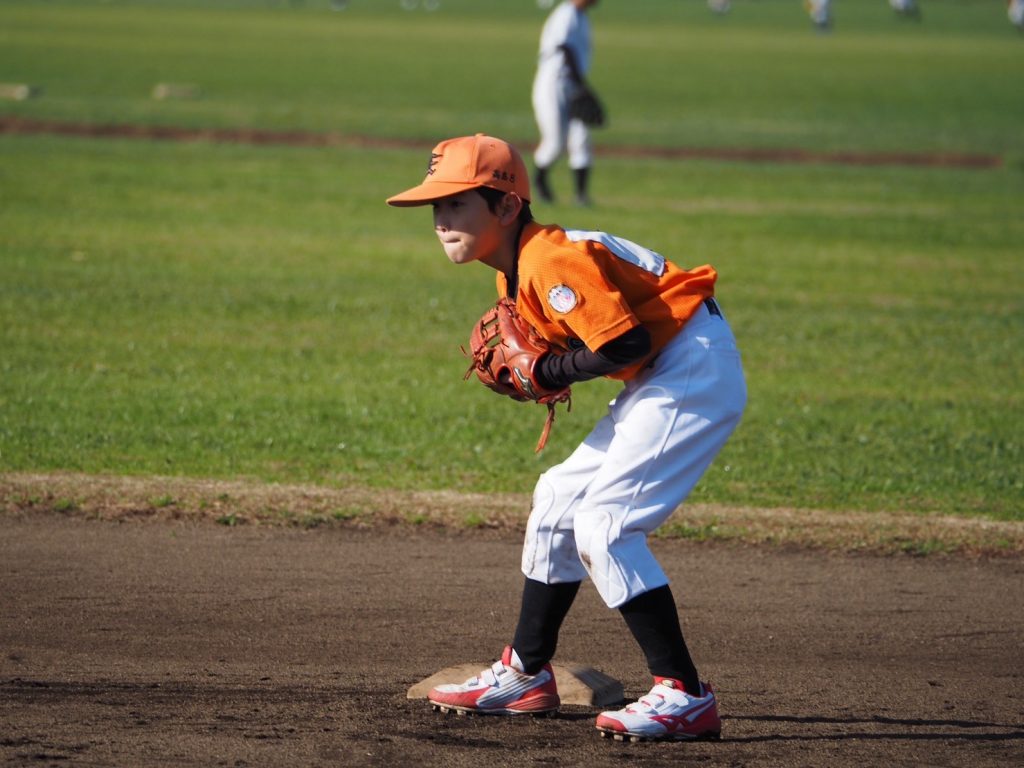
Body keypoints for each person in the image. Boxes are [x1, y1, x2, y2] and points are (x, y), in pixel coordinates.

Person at [386, 134, 746, 742]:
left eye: (457, 204)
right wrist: (550, 367)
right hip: (664, 367)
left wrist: (550, 371)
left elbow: (625, 343)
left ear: (506, 206)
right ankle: (525, 673)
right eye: (436, 207)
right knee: (557, 501)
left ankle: (685, 694)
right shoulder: (516, 270)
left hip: (692, 367)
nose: (442, 220)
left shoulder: (547, 260)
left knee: (605, 524)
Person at [532, 0, 600, 206]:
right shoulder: (566, 13)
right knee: (555, 142)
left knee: (581, 138)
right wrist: (581, 84)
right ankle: (539, 182)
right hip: (553, 84)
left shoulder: (581, 16)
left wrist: (579, 85)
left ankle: (581, 196)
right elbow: (563, 47)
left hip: (572, 84)